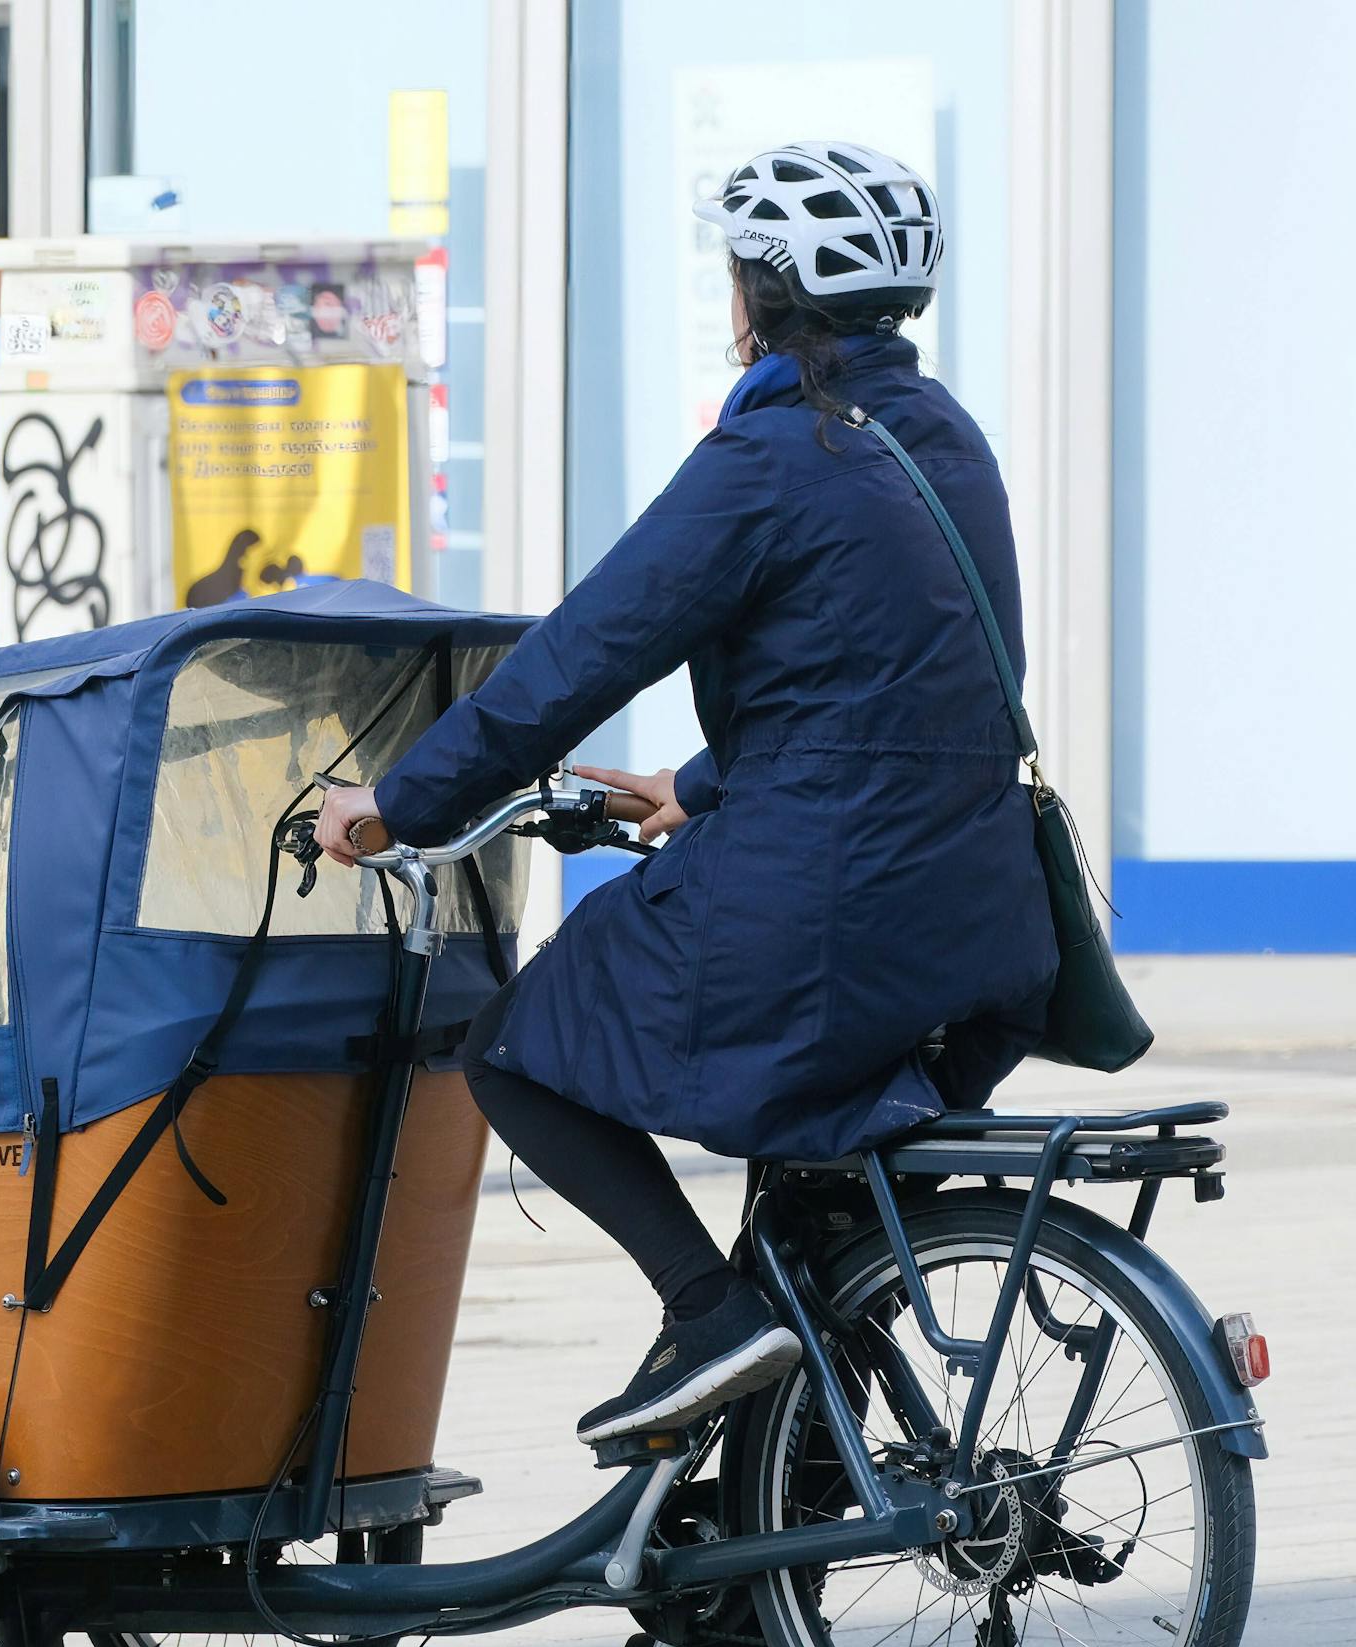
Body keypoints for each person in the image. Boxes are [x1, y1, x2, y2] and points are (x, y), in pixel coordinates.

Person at [315, 141, 1057, 1446]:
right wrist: (702, 786)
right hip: (980, 915)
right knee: (818, 1241)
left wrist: (405, 802)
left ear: (758, 298)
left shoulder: (767, 458)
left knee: (511, 1047)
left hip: (834, 904)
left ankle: (703, 1314)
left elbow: (583, 656)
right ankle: (748, 1596)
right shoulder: (941, 441)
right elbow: (914, 669)